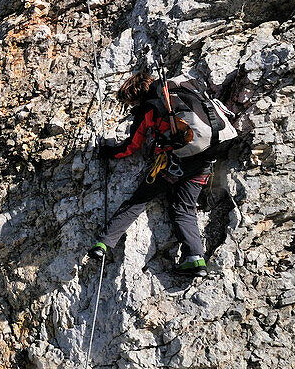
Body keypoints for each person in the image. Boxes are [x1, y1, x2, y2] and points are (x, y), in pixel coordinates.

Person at [89, 72, 210, 278]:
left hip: (173, 164)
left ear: (136, 96)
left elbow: (132, 145)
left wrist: (108, 152)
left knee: (138, 200)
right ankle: (195, 259)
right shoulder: (183, 94)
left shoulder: (149, 108)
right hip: (203, 160)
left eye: (132, 102)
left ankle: (103, 243)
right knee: (184, 208)